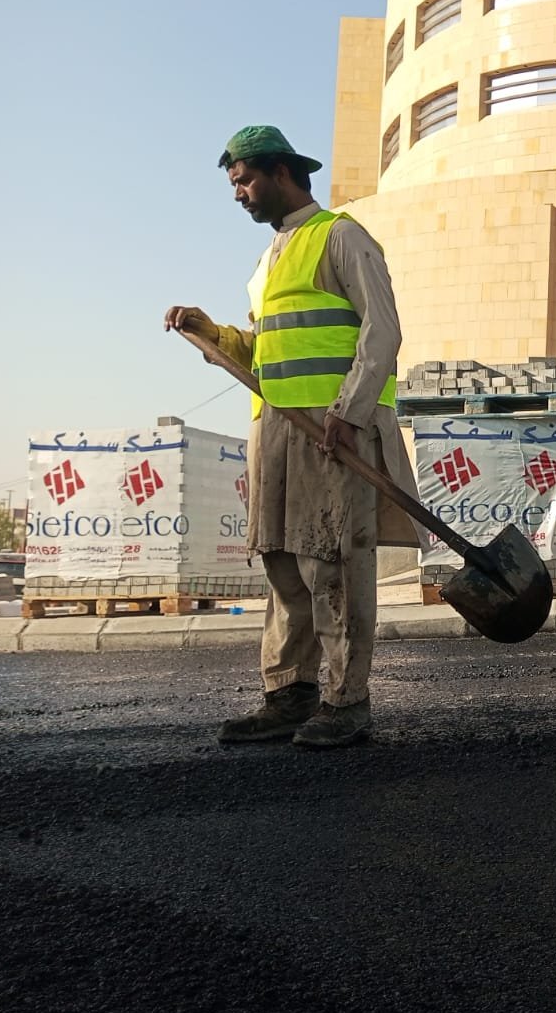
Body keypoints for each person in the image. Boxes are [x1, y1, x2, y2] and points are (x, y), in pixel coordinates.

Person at [165, 125, 419, 746]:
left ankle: (346, 700)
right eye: (234, 184)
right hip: (276, 432)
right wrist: (214, 334)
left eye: (245, 180)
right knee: (282, 561)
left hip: (333, 430)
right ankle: (290, 692)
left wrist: (350, 411)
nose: (238, 194)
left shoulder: (341, 236)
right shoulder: (267, 262)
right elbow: (264, 353)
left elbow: (382, 331)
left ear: (282, 173)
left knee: (332, 561)